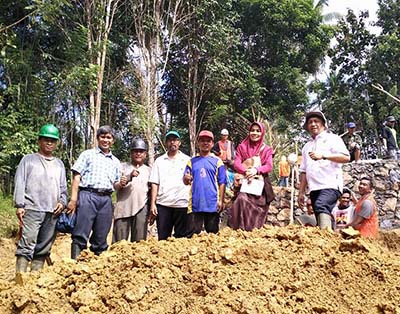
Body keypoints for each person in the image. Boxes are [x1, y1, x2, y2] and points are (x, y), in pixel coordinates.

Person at [14, 124, 68, 273]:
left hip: (52, 211)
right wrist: (19, 205)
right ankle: (20, 279)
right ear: (39, 141)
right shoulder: (29, 160)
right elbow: (20, 182)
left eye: (53, 140)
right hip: (32, 208)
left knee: (43, 247)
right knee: (27, 244)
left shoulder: (59, 164)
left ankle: (36, 278)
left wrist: (62, 203)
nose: (49, 143)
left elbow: (63, 188)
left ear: (56, 143)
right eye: (46, 139)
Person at [66, 126, 121, 259]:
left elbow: (116, 185)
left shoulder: (115, 162)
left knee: (101, 236)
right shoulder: (87, 155)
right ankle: (76, 266)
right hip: (87, 196)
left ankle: (98, 268)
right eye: (102, 137)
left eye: (109, 137)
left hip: (106, 199)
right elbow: (76, 177)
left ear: (113, 140)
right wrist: (73, 199)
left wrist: (124, 182)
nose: (105, 140)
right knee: (80, 233)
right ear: (97, 138)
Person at [298, 111, 350, 230]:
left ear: (323, 124)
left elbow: (346, 157)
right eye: (310, 122)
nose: (313, 124)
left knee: (321, 205)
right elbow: (304, 171)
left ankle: (324, 239)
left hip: (330, 185)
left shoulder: (333, 139)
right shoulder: (307, 146)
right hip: (314, 188)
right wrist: (301, 192)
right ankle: (328, 240)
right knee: (320, 212)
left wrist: (324, 156)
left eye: (316, 121)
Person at [229, 121, 275, 231]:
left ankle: (253, 233)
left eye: (258, 131)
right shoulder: (242, 147)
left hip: (260, 188)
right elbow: (237, 163)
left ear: (262, 133)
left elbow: (269, 166)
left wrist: (256, 170)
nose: (255, 133)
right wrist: (246, 171)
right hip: (245, 184)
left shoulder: (267, 149)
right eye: (252, 130)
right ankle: (239, 230)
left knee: (257, 210)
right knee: (241, 199)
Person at [183, 130, 226, 235]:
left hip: (212, 203)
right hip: (195, 203)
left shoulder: (217, 162)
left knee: (212, 234)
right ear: (198, 142)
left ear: (212, 143)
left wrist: (221, 200)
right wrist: (187, 178)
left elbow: (222, 182)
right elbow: (185, 180)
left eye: (208, 141)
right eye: (202, 140)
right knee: (192, 234)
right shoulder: (192, 161)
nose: (205, 143)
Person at [149, 131, 191, 240]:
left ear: (179, 142)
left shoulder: (187, 160)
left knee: (181, 240)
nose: (172, 142)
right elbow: (154, 183)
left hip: (182, 204)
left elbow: (193, 181)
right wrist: (153, 204)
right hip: (163, 205)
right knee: (163, 239)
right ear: (166, 143)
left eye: (175, 140)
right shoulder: (159, 161)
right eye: (170, 140)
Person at [112, 138, 151, 243]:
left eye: (141, 151)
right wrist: (127, 178)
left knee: (139, 244)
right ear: (131, 153)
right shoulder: (122, 167)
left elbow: (152, 191)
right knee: (119, 244)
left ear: (145, 154)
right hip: (123, 208)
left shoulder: (149, 171)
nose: (138, 153)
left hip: (141, 207)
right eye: (135, 151)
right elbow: (115, 186)